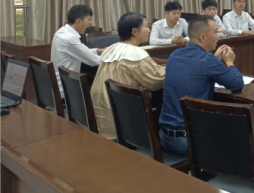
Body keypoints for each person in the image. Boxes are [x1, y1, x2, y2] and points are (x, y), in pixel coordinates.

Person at [159, 15, 244, 155]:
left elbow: (195, 68)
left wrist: (215, 58)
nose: (218, 36)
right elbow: (237, 84)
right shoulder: (207, 60)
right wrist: (229, 62)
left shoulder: (174, 54)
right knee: (241, 137)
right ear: (202, 37)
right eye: (215, 32)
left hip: (164, 137)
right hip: (189, 141)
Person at [91, 12, 165, 140]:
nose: (149, 29)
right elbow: (157, 81)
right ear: (134, 31)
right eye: (145, 26)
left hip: (103, 117)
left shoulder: (112, 49)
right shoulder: (135, 54)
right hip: (124, 120)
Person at [51, 4, 104, 96]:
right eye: (89, 19)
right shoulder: (70, 39)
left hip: (57, 83)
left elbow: (78, 52)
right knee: (100, 93)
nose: (90, 23)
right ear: (79, 21)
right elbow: (96, 61)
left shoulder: (61, 32)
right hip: (67, 89)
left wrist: (98, 50)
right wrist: (115, 54)